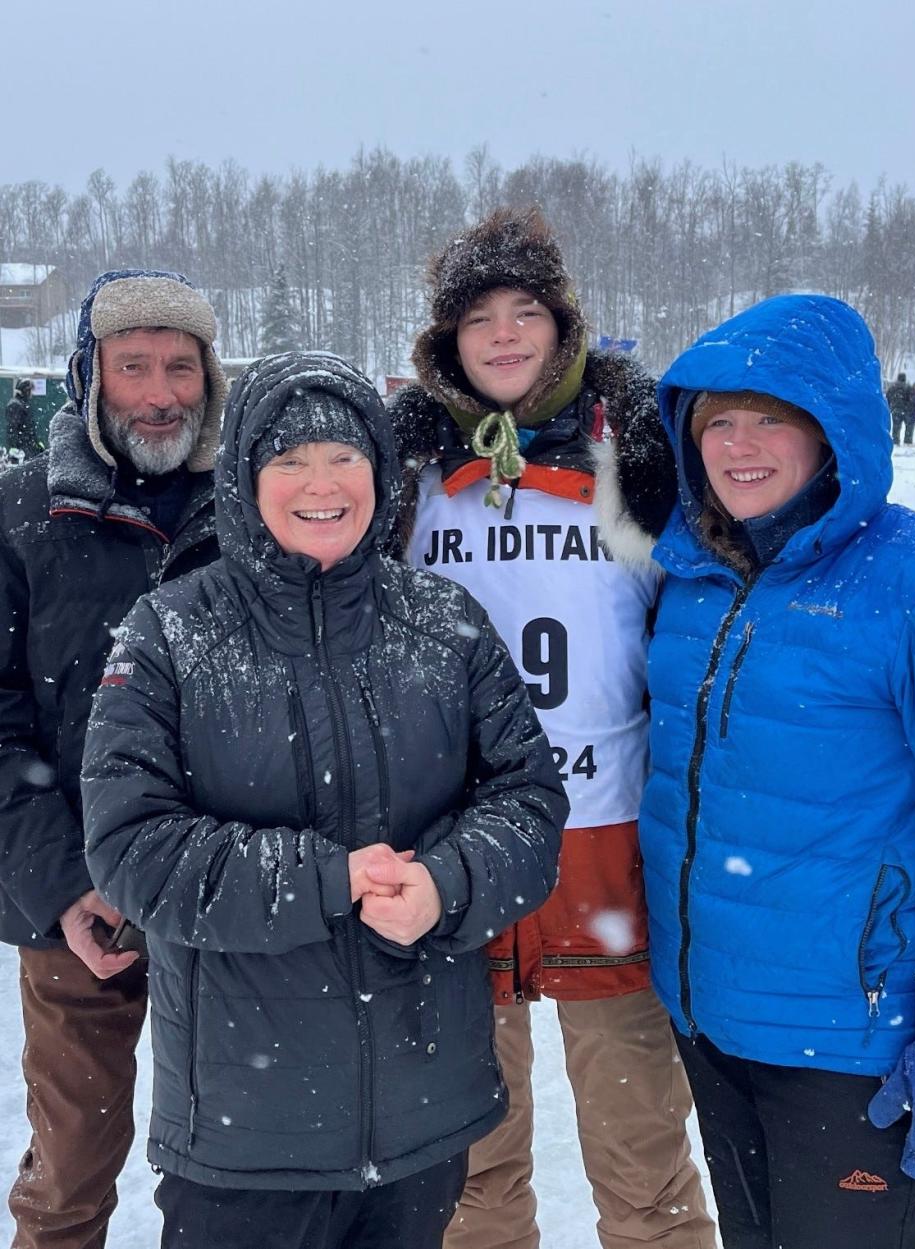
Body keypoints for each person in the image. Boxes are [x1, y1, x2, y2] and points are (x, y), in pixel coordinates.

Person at [80, 350, 568, 1249]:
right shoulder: (171, 631)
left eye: (344, 456)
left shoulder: (445, 623)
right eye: (290, 459)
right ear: (243, 477)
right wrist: (323, 877)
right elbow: (130, 843)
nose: (322, 484)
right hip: (244, 1135)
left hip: (425, 1116)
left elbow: (529, 801)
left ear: (379, 472)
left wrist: (449, 884)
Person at [389, 207, 714, 1249]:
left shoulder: (638, 446)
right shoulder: (409, 461)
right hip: (462, 841)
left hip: (606, 839)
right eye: (478, 317)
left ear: (562, 324)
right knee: (474, 1167)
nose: (504, 336)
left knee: (644, 1159)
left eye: (525, 311)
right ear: (447, 342)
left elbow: (702, 602)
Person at [640, 292, 915, 1249]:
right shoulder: (693, 574)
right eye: (718, 421)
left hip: (857, 1041)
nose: (740, 445)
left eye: (772, 418)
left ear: (834, 433)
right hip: (713, 1021)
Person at [0, 268, 226, 1249]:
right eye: (134, 365)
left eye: (182, 366)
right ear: (91, 374)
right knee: (70, 1176)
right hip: (78, 903)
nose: (161, 391)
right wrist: (61, 884)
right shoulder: (22, 517)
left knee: (233, 1170)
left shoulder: (254, 510)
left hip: (226, 903)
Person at [4, 378, 43, 461]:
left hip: (28, 446)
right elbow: (12, 427)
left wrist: (36, 443)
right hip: (22, 449)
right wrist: (14, 446)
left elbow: (29, 427)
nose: (32, 394)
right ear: (26, 391)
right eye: (31, 391)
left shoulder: (23, 404)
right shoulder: (15, 405)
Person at [885, 370, 914, 445]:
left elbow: (887, 397)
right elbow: (912, 399)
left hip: (895, 410)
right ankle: (907, 441)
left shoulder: (892, 388)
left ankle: (895, 441)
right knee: (908, 426)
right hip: (906, 410)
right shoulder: (908, 387)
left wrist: (890, 407)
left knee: (896, 426)